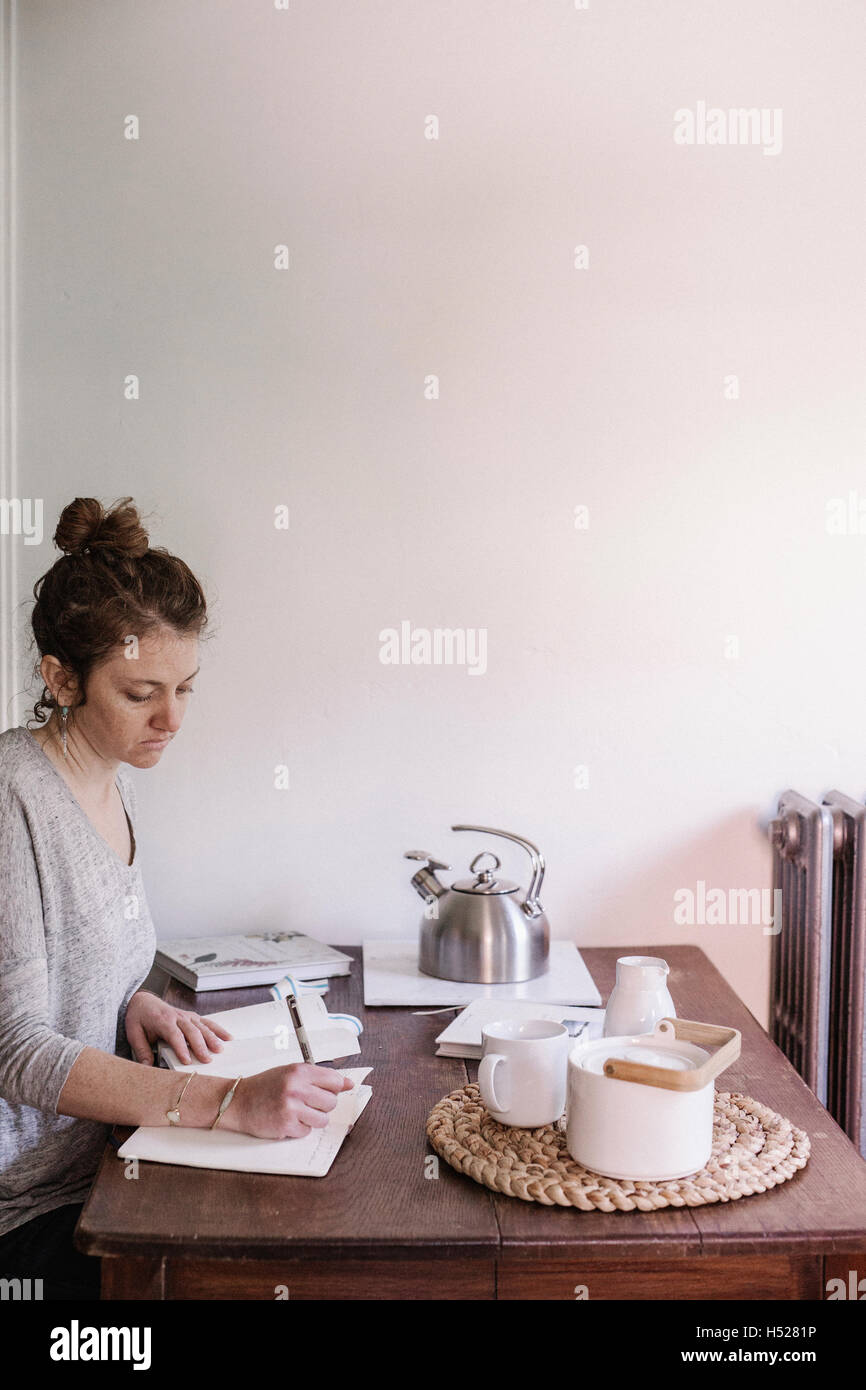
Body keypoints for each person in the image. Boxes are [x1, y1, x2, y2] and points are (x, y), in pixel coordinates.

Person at [0, 496, 353, 1299]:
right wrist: (227, 1101)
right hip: (27, 1213)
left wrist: (134, 1001)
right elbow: (13, 1048)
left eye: (185, 688)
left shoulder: (106, 776)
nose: (171, 719)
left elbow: (69, 969)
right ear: (60, 678)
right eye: (139, 693)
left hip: (103, 1163)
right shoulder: (12, 795)